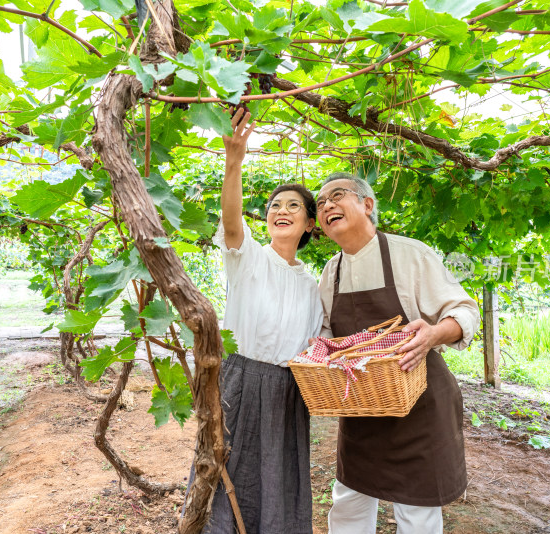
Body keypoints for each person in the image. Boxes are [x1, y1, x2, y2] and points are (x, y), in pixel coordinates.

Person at [315, 172, 480, 534]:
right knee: (348, 501)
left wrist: (434, 333)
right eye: (320, 203)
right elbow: (327, 335)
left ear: (367, 205)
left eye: (337, 195)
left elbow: (466, 312)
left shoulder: (410, 254)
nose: (326, 205)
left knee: (416, 509)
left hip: (418, 403)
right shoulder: (331, 272)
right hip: (361, 406)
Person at [186, 108, 323, 534]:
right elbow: (231, 223)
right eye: (274, 206)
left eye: (293, 206)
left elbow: (320, 343)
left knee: (279, 475)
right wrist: (234, 161)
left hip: (288, 390)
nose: (281, 211)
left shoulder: (313, 284)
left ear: (309, 224)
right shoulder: (249, 259)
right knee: (227, 467)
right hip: (240, 379)